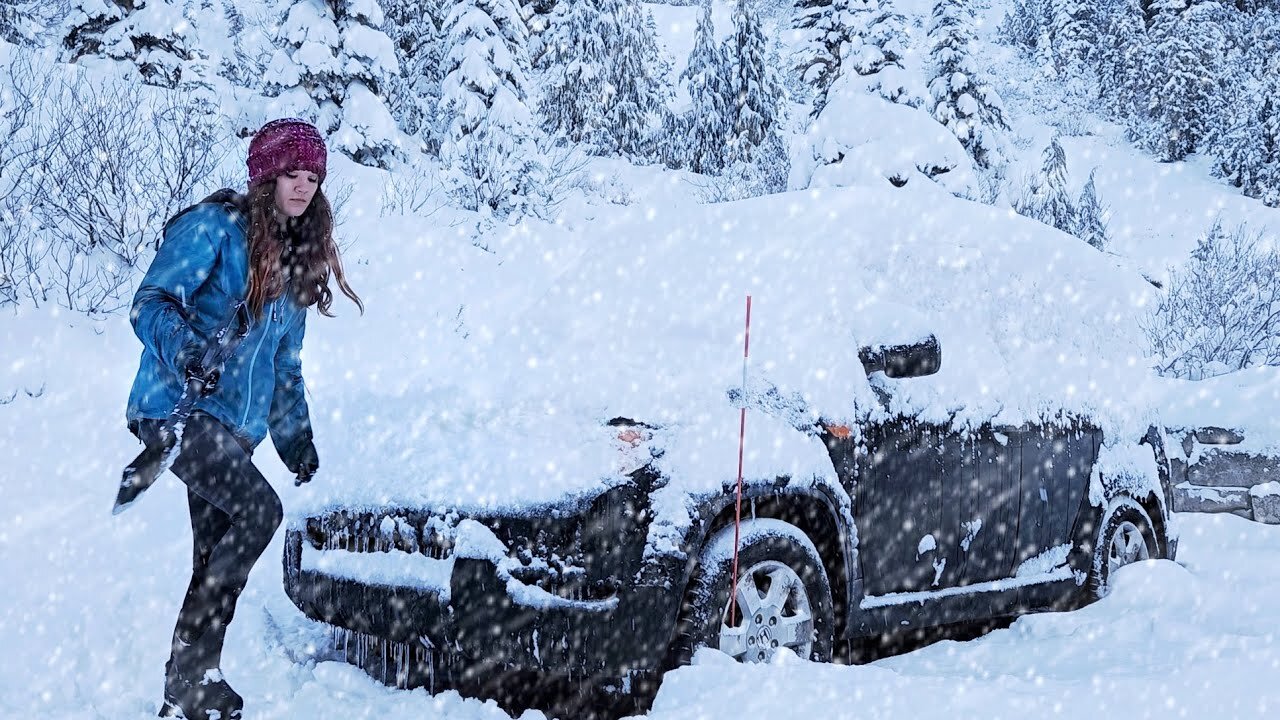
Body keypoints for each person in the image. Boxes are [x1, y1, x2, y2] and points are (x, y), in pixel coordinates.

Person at [125, 118, 362, 719]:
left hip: (235, 431)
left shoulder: (296, 258)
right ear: (266, 176)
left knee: (212, 557)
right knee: (260, 511)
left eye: (313, 176)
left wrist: (298, 445)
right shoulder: (216, 229)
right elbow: (149, 302)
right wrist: (187, 349)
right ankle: (191, 673)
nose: (303, 186)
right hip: (176, 411)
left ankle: (186, 689)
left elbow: (285, 367)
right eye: (292, 173)